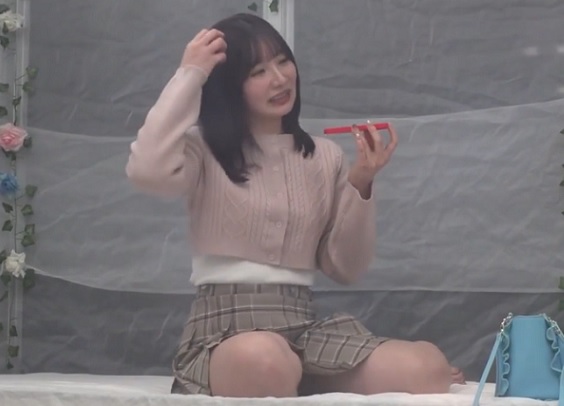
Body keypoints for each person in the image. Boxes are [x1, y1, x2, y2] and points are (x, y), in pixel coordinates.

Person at [126, 12, 464, 398]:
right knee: (263, 358)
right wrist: (191, 74)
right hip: (225, 332)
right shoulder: (202, 150)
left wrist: (360, 183)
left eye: (283, 61)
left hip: (303, 332)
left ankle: (288, 379)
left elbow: (345, 268)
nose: (280, 78)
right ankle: (270, 377)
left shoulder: (324, 156)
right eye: (258, 71)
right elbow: (146, 170)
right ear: (230, 86)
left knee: (426, 368)